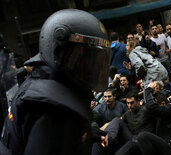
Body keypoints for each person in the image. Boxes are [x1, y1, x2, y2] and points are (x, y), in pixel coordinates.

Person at [0, 9, 110, 154]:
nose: (92, 67)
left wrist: (86, 135)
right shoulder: (55, 111)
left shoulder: (43, 79)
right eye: (85, 59)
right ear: (60, 53)